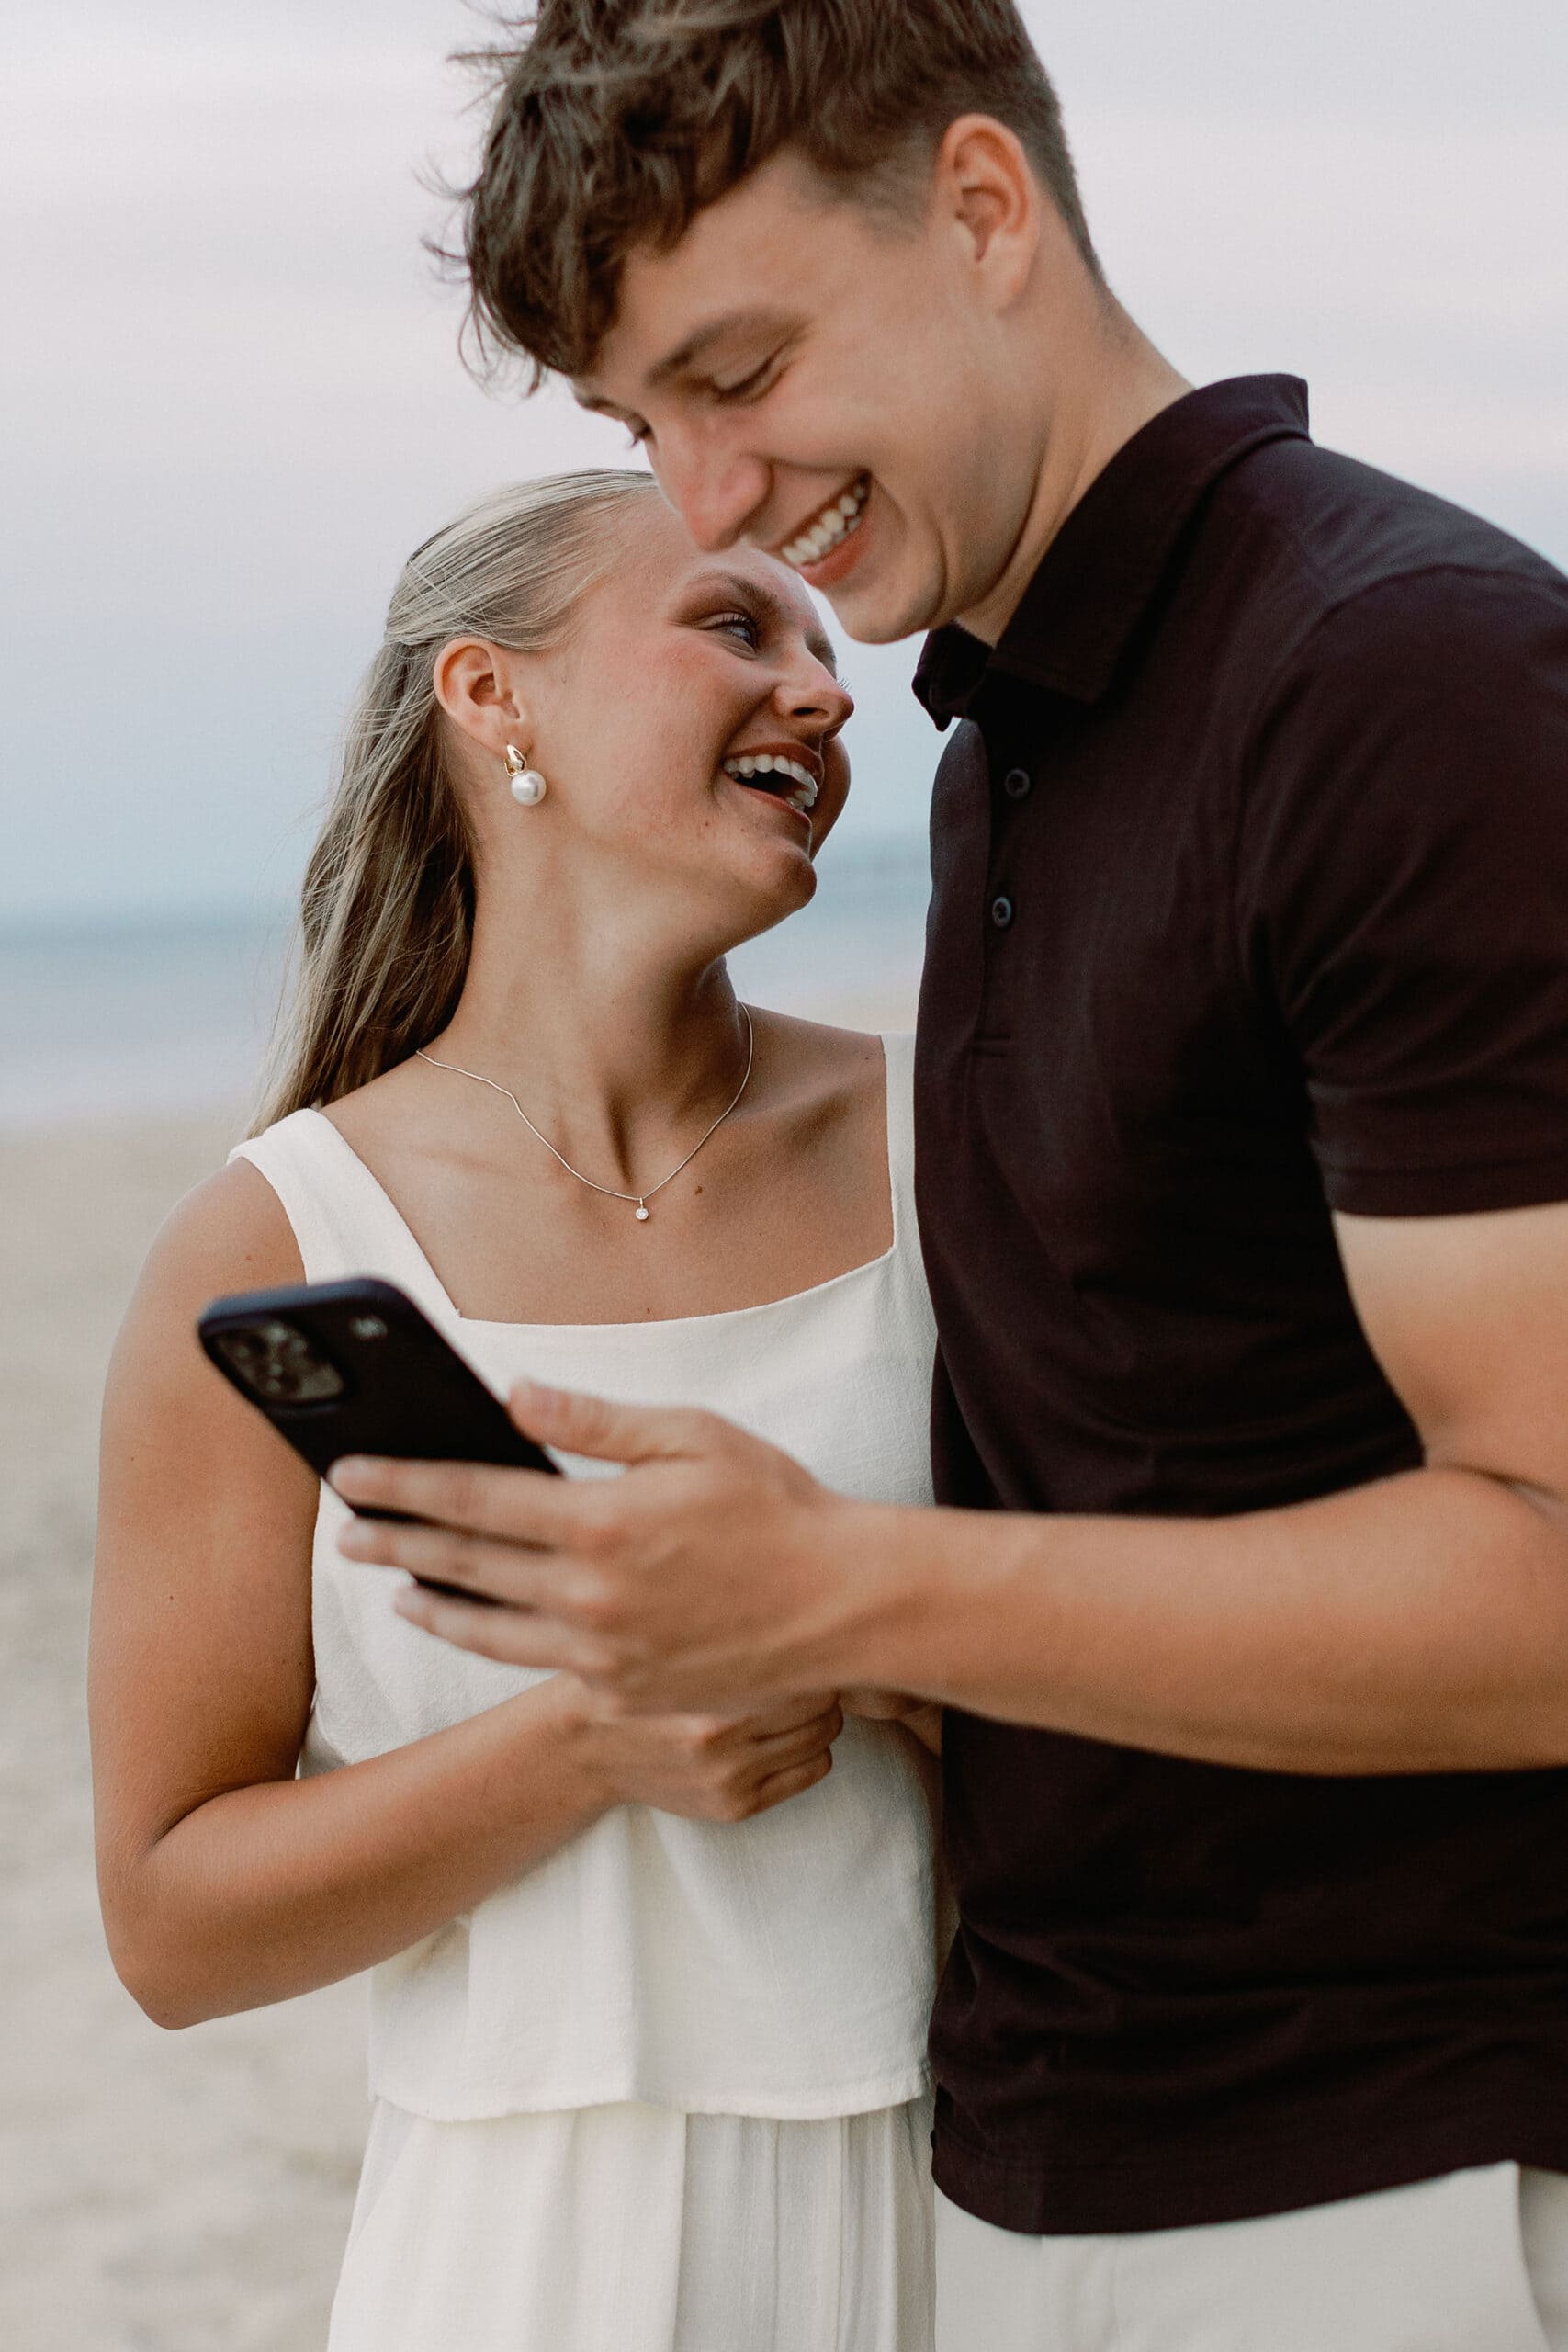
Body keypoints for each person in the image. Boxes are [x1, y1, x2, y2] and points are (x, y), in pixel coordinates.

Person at [333, 6, 1568, 2347]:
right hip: (1044, 2171)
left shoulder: (1391, 680)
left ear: (985, 212)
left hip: (1386, 2174)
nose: (709, 493)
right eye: (638, 430)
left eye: (743, 367)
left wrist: (836, 1588)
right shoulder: (1005, 750)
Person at [89, 469, 948, 2352]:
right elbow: (171, 1923)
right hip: (532, 2254)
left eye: (824, 642)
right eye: (736, 625)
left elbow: (1165, 1678)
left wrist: (876, 1630)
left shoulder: (949, 1146)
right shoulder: (278, 1247)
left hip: (981, 2203)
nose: (823, 689)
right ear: (495, 698)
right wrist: (592, 1740)